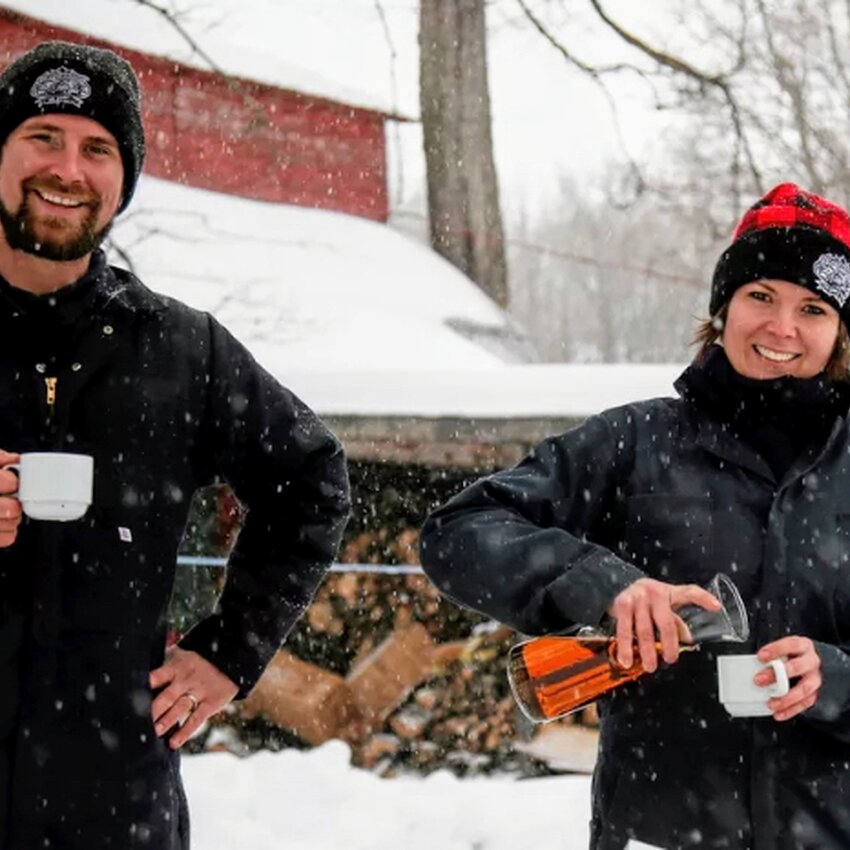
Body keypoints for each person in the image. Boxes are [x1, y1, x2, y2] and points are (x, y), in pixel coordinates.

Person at [420, 182, 850, 849]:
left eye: (813, 308)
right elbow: (459, 530)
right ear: (723, 308)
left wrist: (840, 679)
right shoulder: (637, 443)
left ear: (840, 332)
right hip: (661, 829)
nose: (782, 327)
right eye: (760, 296)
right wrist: (606, 587)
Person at [0, 41, 350, 849]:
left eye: (98, 149)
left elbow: (313, 480)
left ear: (123, 183)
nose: (69, 169)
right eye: (43, 137)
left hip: (113, 803)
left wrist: (230, 651)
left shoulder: (179, 349)